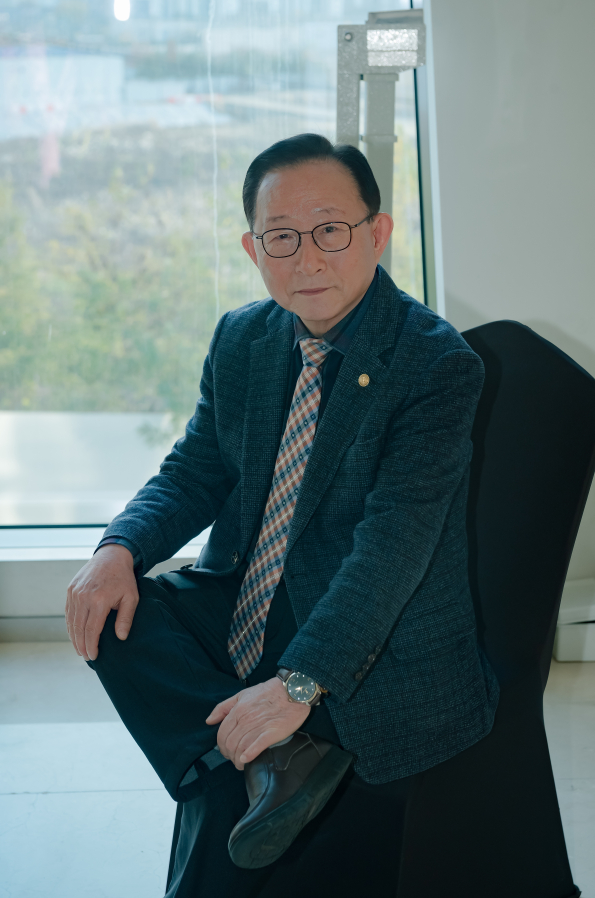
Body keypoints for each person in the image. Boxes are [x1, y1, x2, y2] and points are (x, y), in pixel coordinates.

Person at [66, 133, 499, 897]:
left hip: (370, 632)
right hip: (253, 596)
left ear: (378, 233)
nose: (308, 259)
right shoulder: (244, 338)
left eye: (331, 230)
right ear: (252, 248)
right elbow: (195, 471)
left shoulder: (434, 365)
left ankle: (235, 768)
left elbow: (391, 549)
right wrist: (118, 547)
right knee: (110, 611)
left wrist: (298, 684)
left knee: (222, 837)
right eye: (282, 237)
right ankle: (263, 762)